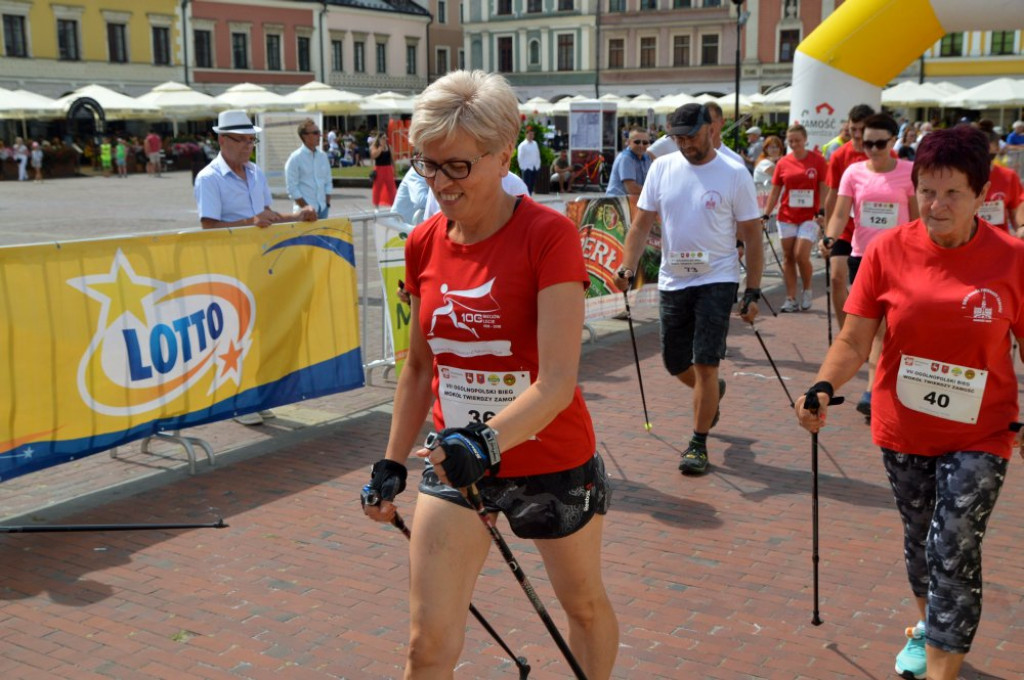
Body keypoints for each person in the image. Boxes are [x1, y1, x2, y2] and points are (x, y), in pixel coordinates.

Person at [361, 69, 618, 678]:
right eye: (427, 165)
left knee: (580, 608)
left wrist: (487, 439)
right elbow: (421, 364)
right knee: (427, 642)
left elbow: (556, 381)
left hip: (548, 457)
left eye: (458, 167)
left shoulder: (547, 235)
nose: (440, 184)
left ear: (504, 154)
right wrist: (393, 461)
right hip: (454, 462)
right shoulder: (424, 241)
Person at [795, 125, 1024, 680]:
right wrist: (823, 386)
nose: (936, 205)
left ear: (981, 195)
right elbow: (853, 340)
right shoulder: (889, 252)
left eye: (952, 194)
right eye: (926, 191)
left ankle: (942, 670)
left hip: (982, 433)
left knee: (955, 544)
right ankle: (927, 628)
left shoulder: (1013, 259)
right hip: (903, 428)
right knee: (922, 540)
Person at [614, 103, 764, 475]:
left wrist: (752, 290)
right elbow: (640, 224)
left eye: (691, 137)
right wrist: (626, 267)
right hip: (674, 279)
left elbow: (753, 236)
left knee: (705, 363)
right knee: (674, 361)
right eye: (678, 138)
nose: (685, 145)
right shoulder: (662, 168)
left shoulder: (733, 173)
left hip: (718, 279)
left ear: (710, 129)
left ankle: (698, 443)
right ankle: (711, 394)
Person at [193, 109, 316, 426]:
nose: (248, 146)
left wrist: (298, 216)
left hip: (260, 265)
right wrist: (251, 222)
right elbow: (209, 226)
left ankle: (256, 395)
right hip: (229, 268)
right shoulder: (209, 178)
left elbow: (266, 214)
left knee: (260, 332)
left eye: (251, 140)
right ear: (223, 140)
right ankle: (238, 400)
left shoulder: (255, 173)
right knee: (236, 335)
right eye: (242, 140)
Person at [823, 112, 918, 418]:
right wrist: (829, 236)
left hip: (901, 259)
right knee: (869, 326)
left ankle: (872, 390)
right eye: (867, 144)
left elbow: (917, 219)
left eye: (880, 143)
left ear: (893, 141)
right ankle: (877, 385)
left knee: (884, 329)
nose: (873, 150)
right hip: (863, 257)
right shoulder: (853, 172)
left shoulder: (909, 172)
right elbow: (840, 213)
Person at [823, 103, 878, 331]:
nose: (856, 135)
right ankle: (846, 332)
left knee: (868, 287)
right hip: (845, 230)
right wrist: (827, 235)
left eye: (861, 130)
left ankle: (872, 333)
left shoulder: (885, 154)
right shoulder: (840, 156)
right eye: (853, 128)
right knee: (837, 278)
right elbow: (831, 198)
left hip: (873, 233)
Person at [762, 124, 828, 312]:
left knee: (801, 254)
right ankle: (790, 298)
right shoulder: (783, 163)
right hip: (787, 215)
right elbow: (775, 192)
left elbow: (824, 188)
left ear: (805, 140)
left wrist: (822, 210)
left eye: (798, 140)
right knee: (788, 257)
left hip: (810, 216)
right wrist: (766, 214)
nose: (794, 144)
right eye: (791, 141)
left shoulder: (817, 160)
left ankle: (807, 290)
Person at [285, 118, 333, 219]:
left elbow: (328, 181)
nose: (319, 136)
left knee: (322, 235)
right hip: (304, 213)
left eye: (319, 132)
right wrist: (307, 208)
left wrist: (327, 203)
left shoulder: (323, 156)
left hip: (323, 209)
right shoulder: (295, 158)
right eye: (315, 133)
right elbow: (292, 188)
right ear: (305, 136)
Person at [981, 130, 1023, 233]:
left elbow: (1016, 212)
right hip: (966, 244)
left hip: (999, 241)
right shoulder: (958, 177)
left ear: (997, 149)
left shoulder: (1008, 176)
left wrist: (1021, 228)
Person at [606, 126, 651, 197]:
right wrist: (653, 192)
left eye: (645, 142)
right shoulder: (626, 158)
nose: (641, 145)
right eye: (637, 142)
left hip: (632, 202)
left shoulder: (646, 157)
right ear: (629, 142)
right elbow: (632, 189)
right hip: (618, 203)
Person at [370, 131, 396, 208]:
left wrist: (394, 169)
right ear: (379, 139)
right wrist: (380, 148)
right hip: (379, 169)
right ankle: (376, 205)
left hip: (388, 168)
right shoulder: (375, 147)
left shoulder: (389, 146)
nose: (385, 140)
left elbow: (392, 159)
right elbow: (374, 156)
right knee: (377, 188)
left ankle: (393, 205)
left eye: (385, 138)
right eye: (383, 138)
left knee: (391, 188)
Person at [516, 126, 541, 194]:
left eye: (532, 134)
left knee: (531, 186)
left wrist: (538, 165)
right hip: (526, 168)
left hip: (534, 167)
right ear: (526, 135)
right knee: (526, 185)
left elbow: (537, 155)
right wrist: (523, 168)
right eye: (529, 134)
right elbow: (520, 157)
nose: (531, 136)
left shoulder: (535, 143)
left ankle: (529, 199)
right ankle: (526, 199)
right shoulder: (522, 145)